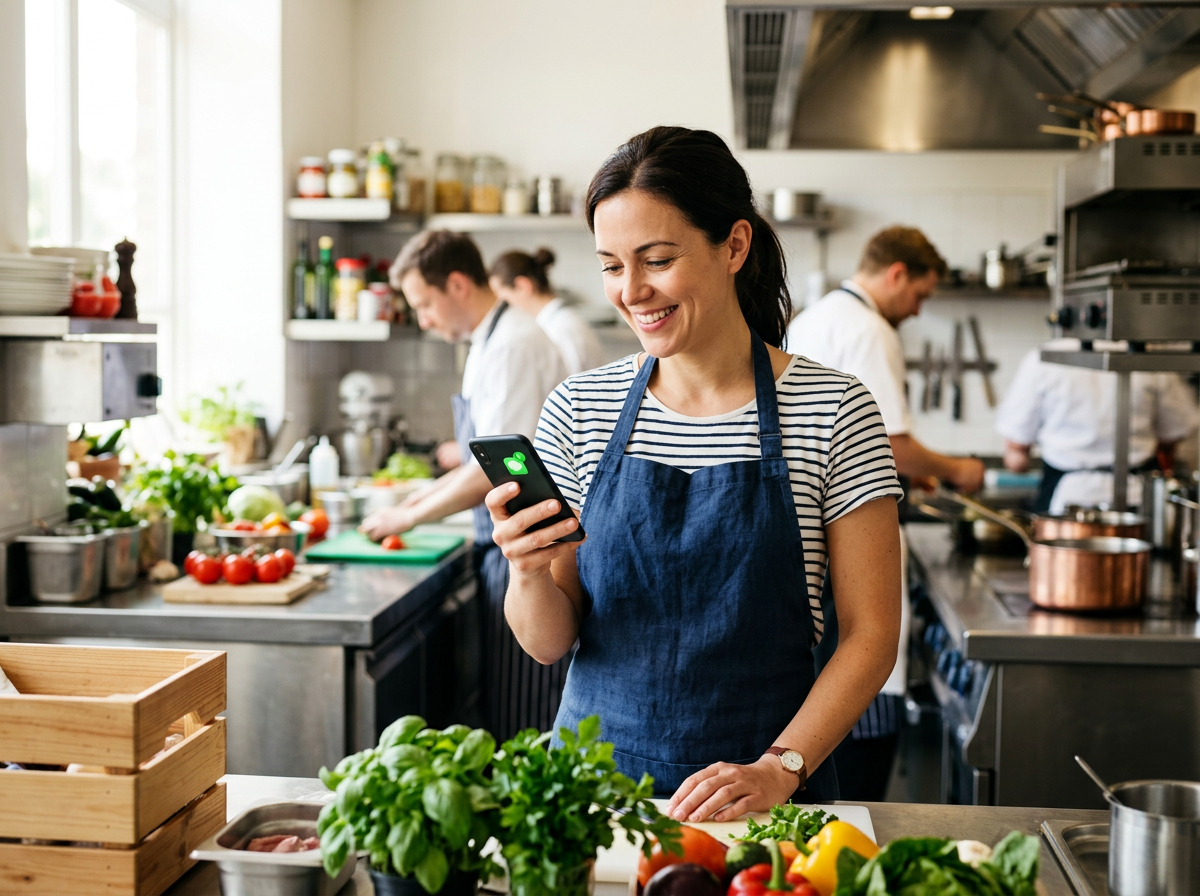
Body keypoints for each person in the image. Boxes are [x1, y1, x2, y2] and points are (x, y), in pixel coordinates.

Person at [486, 126, 903, 822]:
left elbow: (871, 637)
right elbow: (550, 640)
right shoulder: (579, 410)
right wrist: (526, 572)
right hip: (593, 801)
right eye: (611, 265)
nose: (632, 291)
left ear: (734, 245)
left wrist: (781, 770)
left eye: (656, 260)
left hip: (761, 806)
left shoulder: (834, 410)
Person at [788, 226, 985, 802]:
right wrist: (958, 469)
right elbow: (893, 443)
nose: (918, 310)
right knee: (862, 687)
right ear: (896, 274)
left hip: (806, 537)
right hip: (850, 533)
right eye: (920, 296)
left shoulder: (815, 316)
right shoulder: (871, 330)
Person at [361, 229, 567, 740]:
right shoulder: (489, 341)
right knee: (508, 702)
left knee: (527, 714)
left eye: (425, 304)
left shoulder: (513, 346)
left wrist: (407, 515)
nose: (424, 320)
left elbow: (497, 470)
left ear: (456, 284)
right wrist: (416, 498)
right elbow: (483, 455)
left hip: (528, 546)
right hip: (506, 541)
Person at [996, 341, 1198, 514]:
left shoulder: (1044, 358)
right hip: (1138, 499)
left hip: (1065, 499)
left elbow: (1016, 455)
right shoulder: (1149, 356)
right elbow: (1172, 435)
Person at [489, 248, 606, 375]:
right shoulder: (551, 324)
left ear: (522, 287)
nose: (500, 305)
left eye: (501, 296)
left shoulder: (562, 330)